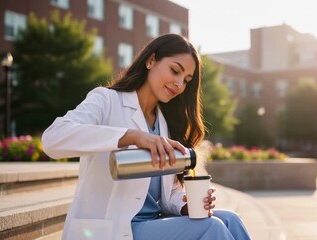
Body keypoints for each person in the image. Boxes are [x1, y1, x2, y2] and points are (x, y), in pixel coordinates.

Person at [42, 34, 251, 240]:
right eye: (175, 70)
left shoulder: (166, 123)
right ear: (151, 60)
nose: (179, 84)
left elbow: (166, 195)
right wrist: (132, 137)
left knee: (230, 219)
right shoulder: (106, 100)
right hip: (116, 228)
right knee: (210, 227)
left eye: (186, 80)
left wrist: (185, 205)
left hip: (152, 222)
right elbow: (52, 139)